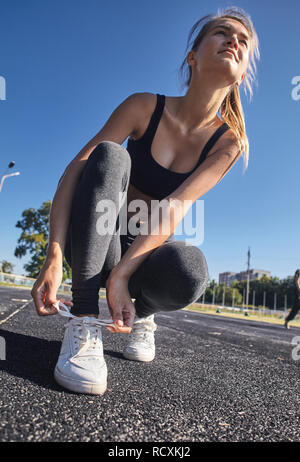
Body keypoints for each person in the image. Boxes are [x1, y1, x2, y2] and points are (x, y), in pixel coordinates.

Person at [31, 6, 260, 395]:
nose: (234, 42)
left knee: (190, 268)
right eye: (223, 33)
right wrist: (53, 253)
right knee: (109, 154)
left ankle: (144, 316)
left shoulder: (229, 143)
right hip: (93, 240)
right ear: (193, 56)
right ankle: (84, 321)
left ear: (241, 75)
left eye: (243, 42)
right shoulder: (143, 106)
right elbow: (76, 170)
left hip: (142, 255)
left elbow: (176, 206)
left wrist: (122, 276)